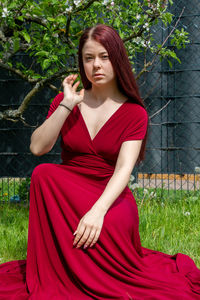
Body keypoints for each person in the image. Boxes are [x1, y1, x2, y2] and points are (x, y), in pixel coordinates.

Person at [0, 24, 199, 300]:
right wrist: (66, 105)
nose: (97, 65)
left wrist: (97, 211)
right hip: (70, 190)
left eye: (104, 57)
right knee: (44, 174)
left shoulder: (134, 113)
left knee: (111, 224)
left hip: (111, 196)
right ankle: (62, 275)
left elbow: (124, 170)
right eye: (89, 58)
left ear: (117, 57)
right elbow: (37, 147)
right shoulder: (66, 101)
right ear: (81, 62)